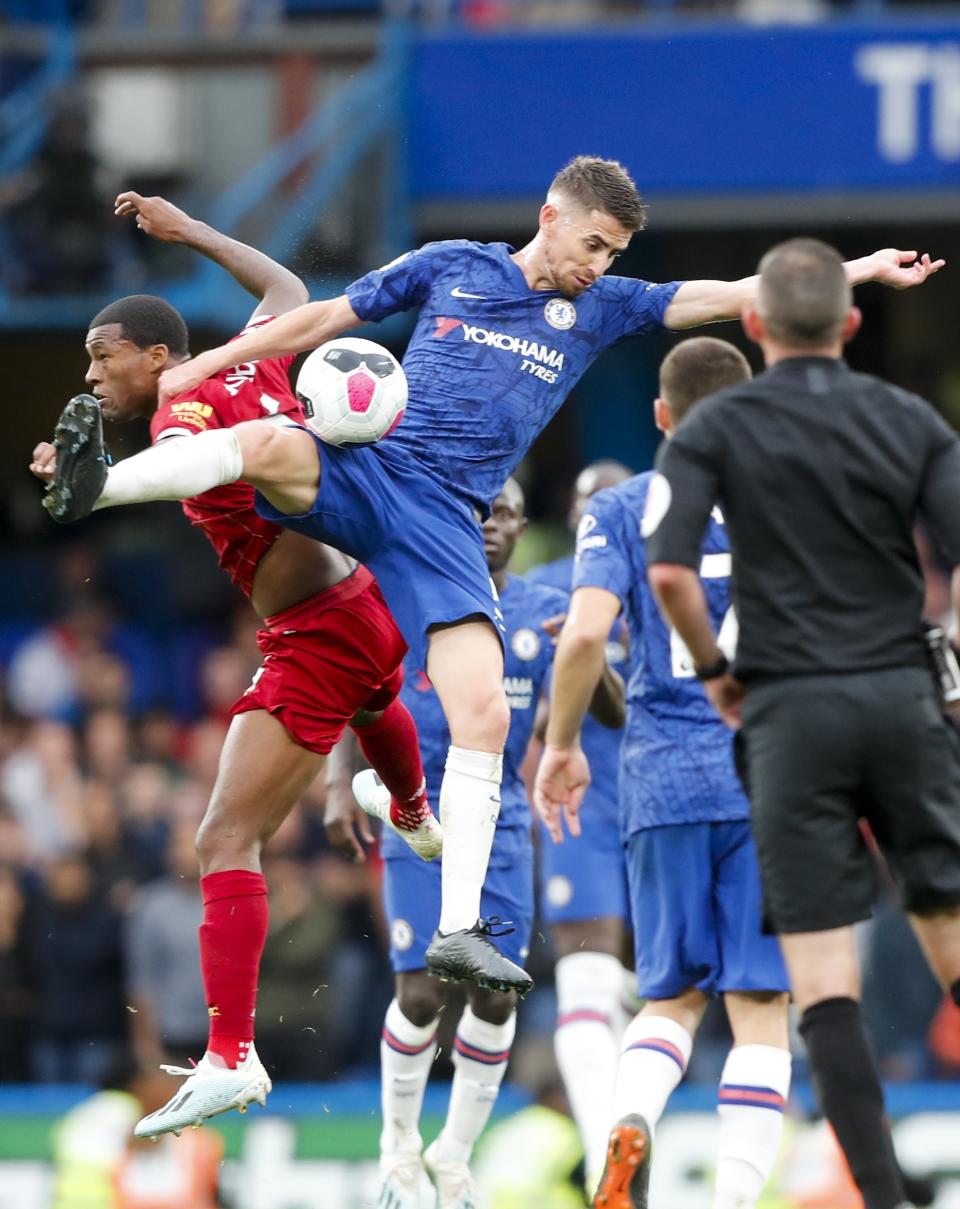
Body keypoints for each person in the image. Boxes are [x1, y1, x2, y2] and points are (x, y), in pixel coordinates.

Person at [41, 157, 943, 1000]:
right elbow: (320, 318)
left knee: (487, 713)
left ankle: (461, 926)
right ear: (550, 218)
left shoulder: (606, 307)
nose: (600, 264)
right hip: (373, 465)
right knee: (268, 444)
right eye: (593, 243)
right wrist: (204, 364)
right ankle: (101, 487)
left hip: (444, 523)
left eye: (614, 253)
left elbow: (723, 295)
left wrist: (855, 271)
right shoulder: (452, 265)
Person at [31, 192, 438, 1138]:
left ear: (157, 356)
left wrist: (99, 486)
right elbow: (289, 285)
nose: (93, 372)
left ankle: (231, 1053)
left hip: (316, 632)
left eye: (103, 354)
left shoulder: (182, 406)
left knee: (220, 839)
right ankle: (418, 816)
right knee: (380, 707)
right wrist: (194, 234)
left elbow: (197, 462)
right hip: (360, 608)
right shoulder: (256, 356)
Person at [643, 238, 960, 1209]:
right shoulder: (910, 420)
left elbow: (668, 573)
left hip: (787, 717)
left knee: (823, 988)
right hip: (903, 699)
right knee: (950, 939)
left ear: (753, 324)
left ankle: (887, 1200)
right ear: (852, 326)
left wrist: (715, 673)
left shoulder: (714, 430)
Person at [535, 337, 791, 1209]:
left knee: (670, 996)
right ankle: (728, 1200)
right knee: (761, 1004)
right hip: (769, 778)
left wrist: (563, 744)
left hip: (661, 779)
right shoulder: (795, 505)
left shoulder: (619, 508)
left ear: (660, 416)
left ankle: (629, 1115)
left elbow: (581, 638)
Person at [324, 478, 622, 1209]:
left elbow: (608, 711)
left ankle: (452, 1160)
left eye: (507, 513)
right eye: (478, 512)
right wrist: (339, 783)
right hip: (416, 815)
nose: (490, 524)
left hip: (505, 825)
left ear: (524, 528)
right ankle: (399, 1152)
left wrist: (584, 656)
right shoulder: (405, 595)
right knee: (422, 991)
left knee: (495, 998)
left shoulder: (546, 612)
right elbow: (347, 680)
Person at [526, 459, 635, 1193]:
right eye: (585, 501)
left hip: (672, 797)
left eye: (611, 500)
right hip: (581, 804)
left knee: (654, 990)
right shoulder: (542, 592)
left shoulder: (676, 580)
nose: (597, 512)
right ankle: (608, 1158)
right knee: (586, 975)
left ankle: (628, 1135)